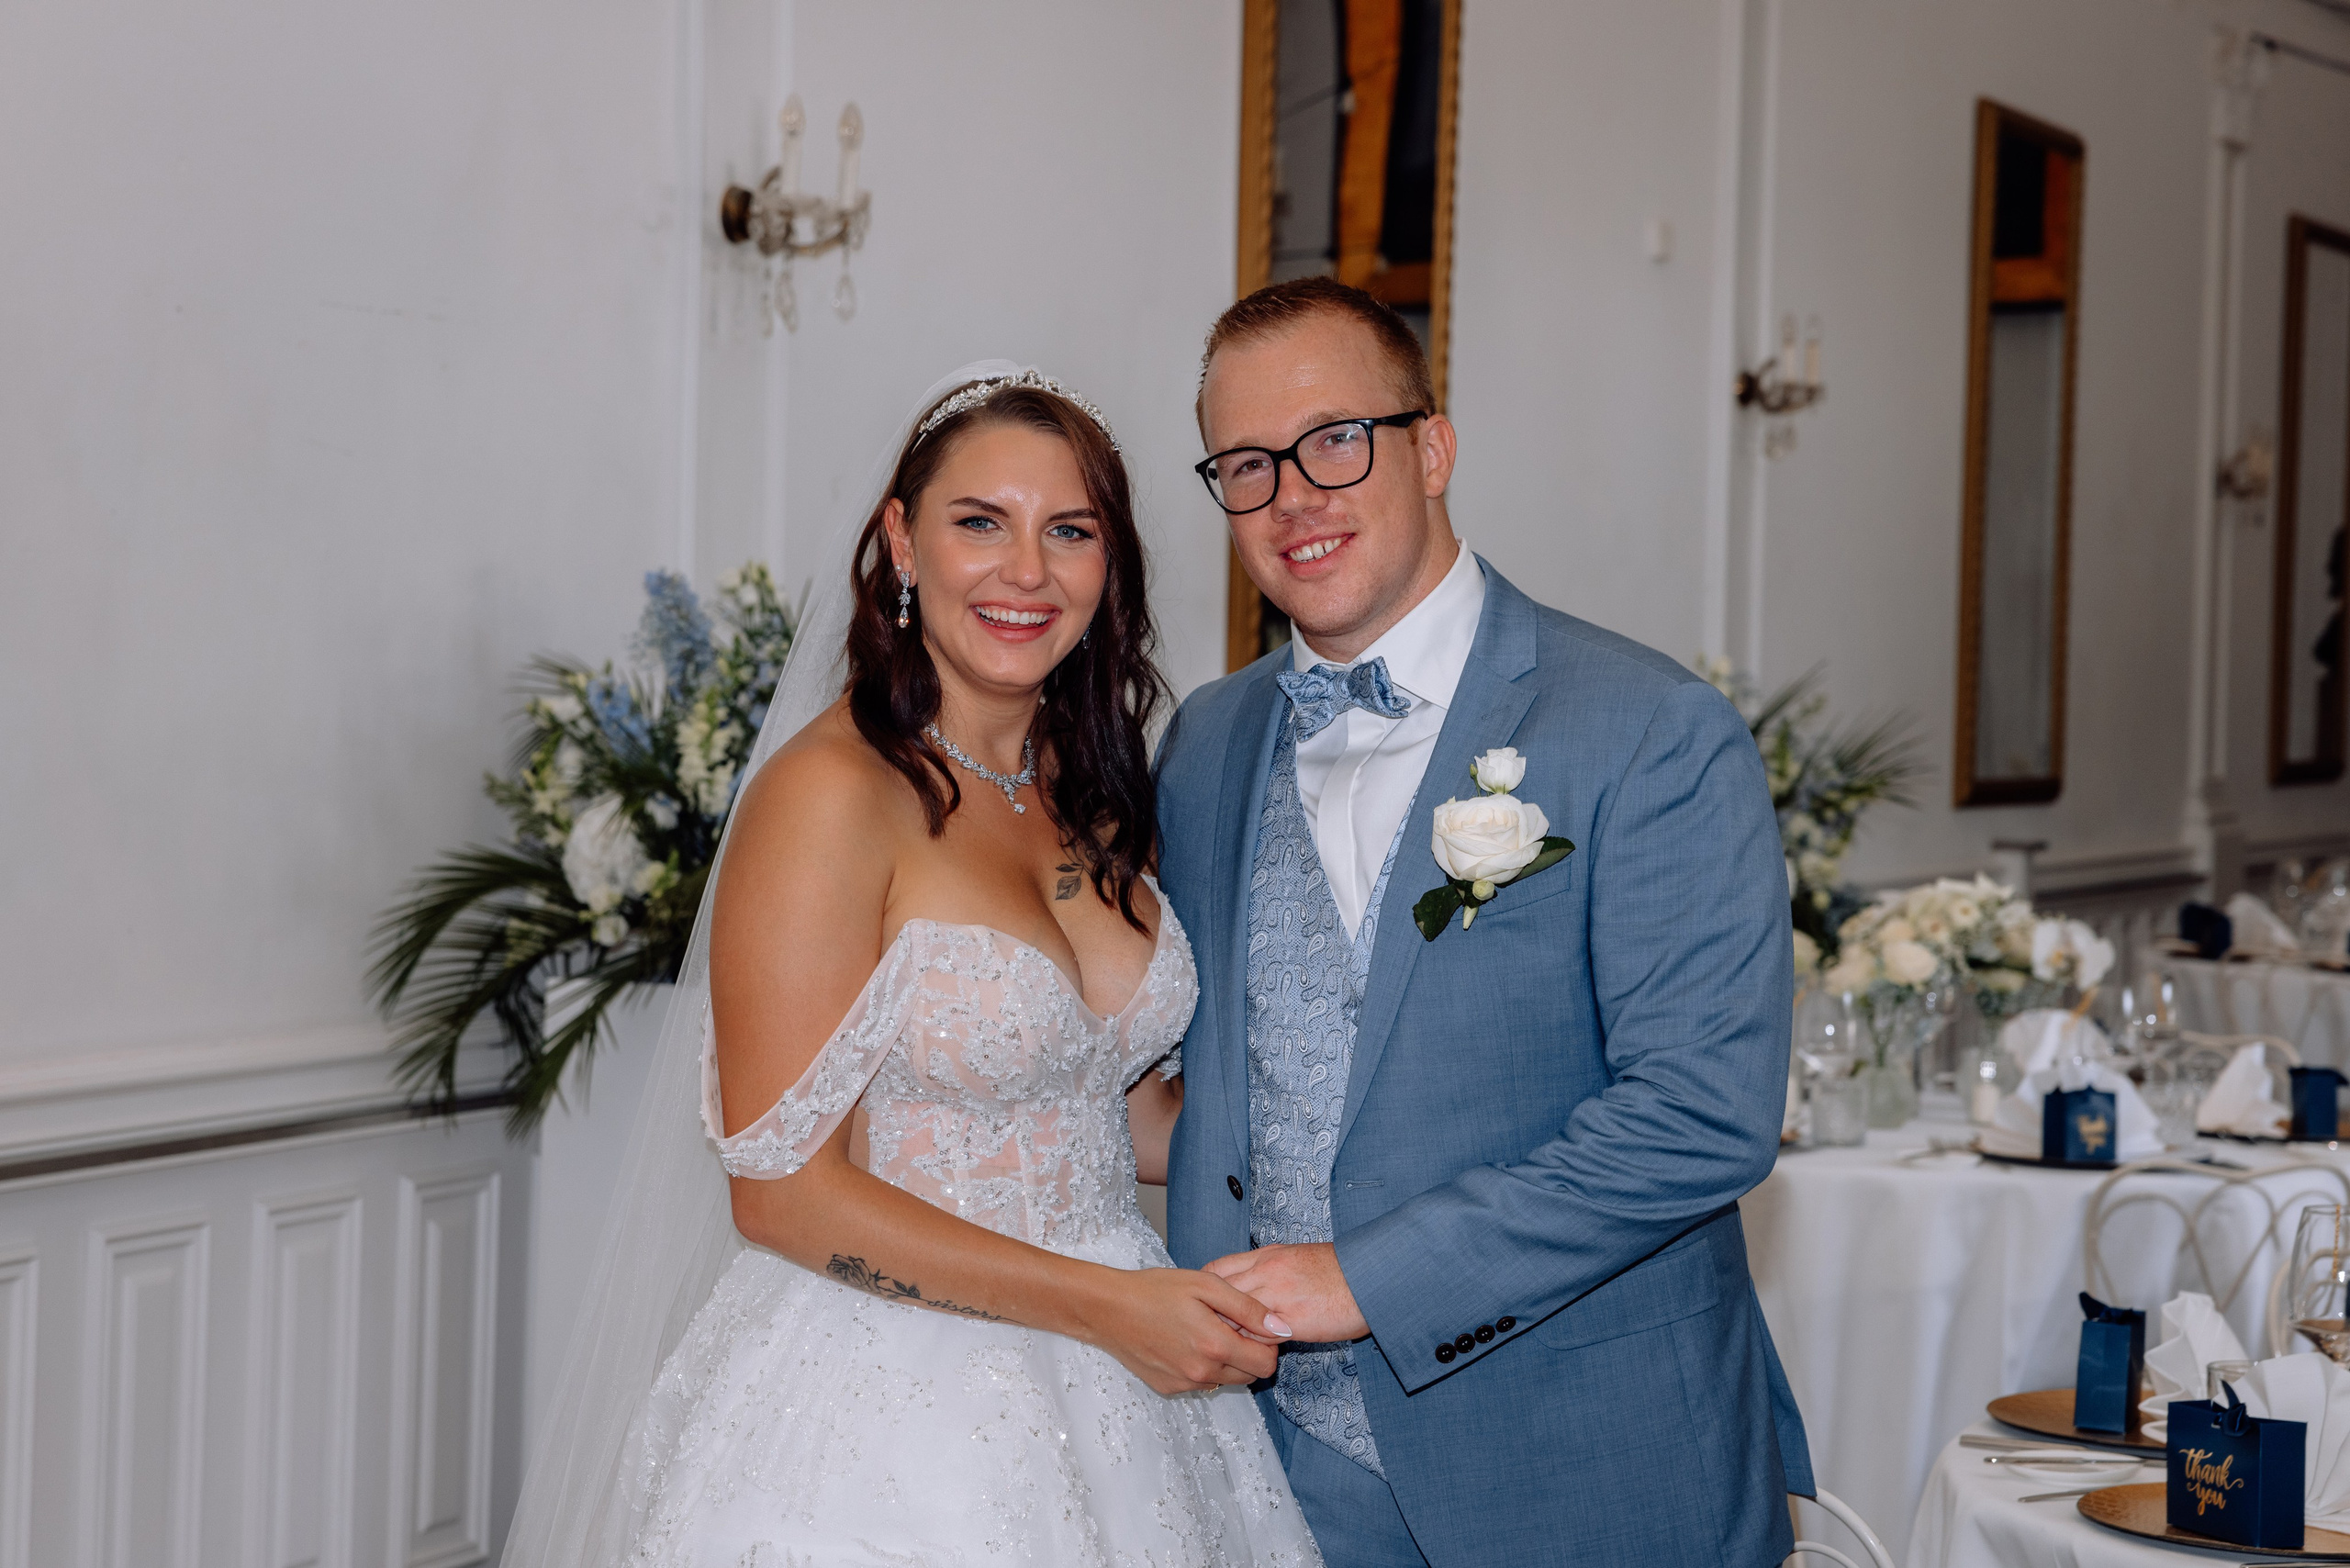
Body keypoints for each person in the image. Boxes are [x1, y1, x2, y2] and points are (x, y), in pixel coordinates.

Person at [500, 364, 1323, 1567]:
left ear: (1110, 565)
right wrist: (1107, 1306)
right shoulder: (828, 799)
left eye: (1070, 531)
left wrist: (1352, 1140)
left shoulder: (1092, 790)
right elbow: (781, 1192)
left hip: (1130, 1385)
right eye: (980, 522)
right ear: (902, 539)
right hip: (887, 1404)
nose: (1026, 572)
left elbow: (1120, 1111)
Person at [1154, 278, 1813, 1567]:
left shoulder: (1647, 728)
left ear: (1435, 449)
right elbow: (1192, 1087)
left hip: (1584, 1461)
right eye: (1246, 465)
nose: (1293, 497)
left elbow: (1702, 1114)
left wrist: (1367, 1279)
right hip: (1265, 1468)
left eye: (1337, 440)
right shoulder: (1205, 745)